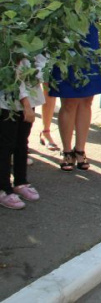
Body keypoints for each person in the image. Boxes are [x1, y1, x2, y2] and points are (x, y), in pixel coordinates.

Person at [50, 0, 101, 172]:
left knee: (87, 101)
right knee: (69, 102)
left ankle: (80, 149)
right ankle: (66, 150)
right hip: (68, 52)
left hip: (90, 50)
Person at [10, 0, 65, 153]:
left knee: (48, 86)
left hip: (50, 35)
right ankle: (22, 141)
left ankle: (46, 131)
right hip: (24, 35)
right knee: (26, 83)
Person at [0, 55, 45, 209]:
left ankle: (20, 182)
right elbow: (12, 73)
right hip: (8, 99)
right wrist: (26, 103)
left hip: (29, 95)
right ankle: (3, 188)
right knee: (6, 145)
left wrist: (37, 72)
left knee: (22, 142)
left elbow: (42, 63)